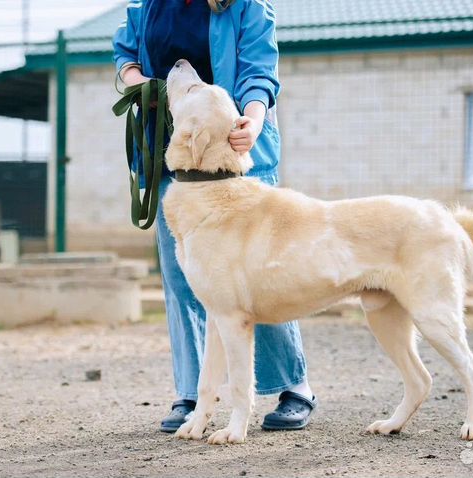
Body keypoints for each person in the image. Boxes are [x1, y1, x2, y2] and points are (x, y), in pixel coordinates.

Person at [112, 0, 317, 433]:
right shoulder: (148, 4)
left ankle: (292, 387)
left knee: (260, 276)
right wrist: (141, 83)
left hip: (234, 149)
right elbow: (124, 53)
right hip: (171, 150)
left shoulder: (246, 7)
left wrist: (253, 122)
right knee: (181, 276)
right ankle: (192, 395)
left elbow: (258, 74)